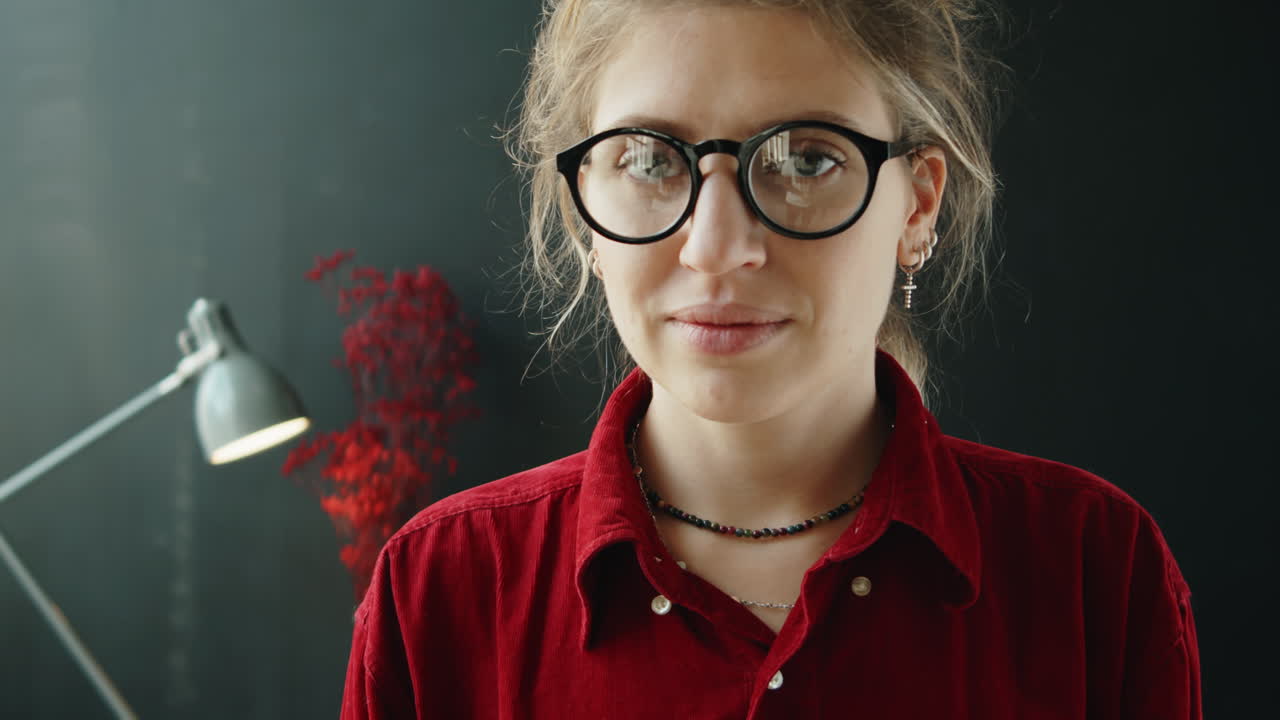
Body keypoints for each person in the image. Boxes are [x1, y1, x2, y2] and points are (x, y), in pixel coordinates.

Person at [340, 0, 1202, 717]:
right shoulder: (438, 595)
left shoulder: (1096, 575)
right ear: (582, 214)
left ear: (918, 206)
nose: (717, 248)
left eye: (807, 159)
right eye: (647, 160)